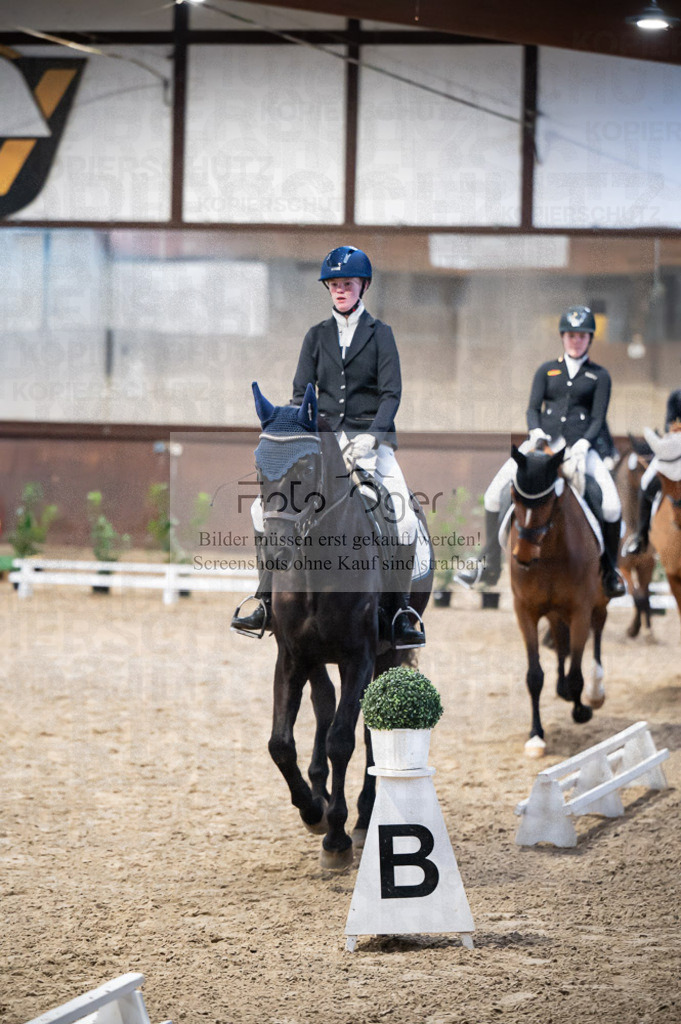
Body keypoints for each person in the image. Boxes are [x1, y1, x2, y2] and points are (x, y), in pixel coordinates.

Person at [231, 245, 425, 647]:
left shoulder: (381, 335)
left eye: (347, 284)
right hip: (321, 444)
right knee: (259, 509)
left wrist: (372, 436)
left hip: (371, 443)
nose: (340, 290)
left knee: (404, 516)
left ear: (362, 287)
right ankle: (265, 599)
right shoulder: (316, 336)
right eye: (334, 284)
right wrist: (300, 437)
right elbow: (299, 394)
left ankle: (400, 611)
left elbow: (391, 394)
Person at [455, 305, 626, 599]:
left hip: (579, 449)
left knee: (611, 505)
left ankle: (609, 571)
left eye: (582, 336)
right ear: (563, 337)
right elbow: (533, 408)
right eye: (571, 335)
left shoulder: (600, 375)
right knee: (494, 493)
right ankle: (490, 563)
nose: (576, 341)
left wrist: (585, 442)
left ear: (589, 339)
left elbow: (598, 417)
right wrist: (534, 431)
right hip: (541, 447)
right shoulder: (547, 370)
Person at [623, 386, 681, 555]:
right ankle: (641, 538)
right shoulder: (676, 396)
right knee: (646, 481)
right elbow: (669, 424)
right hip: (674, 447)